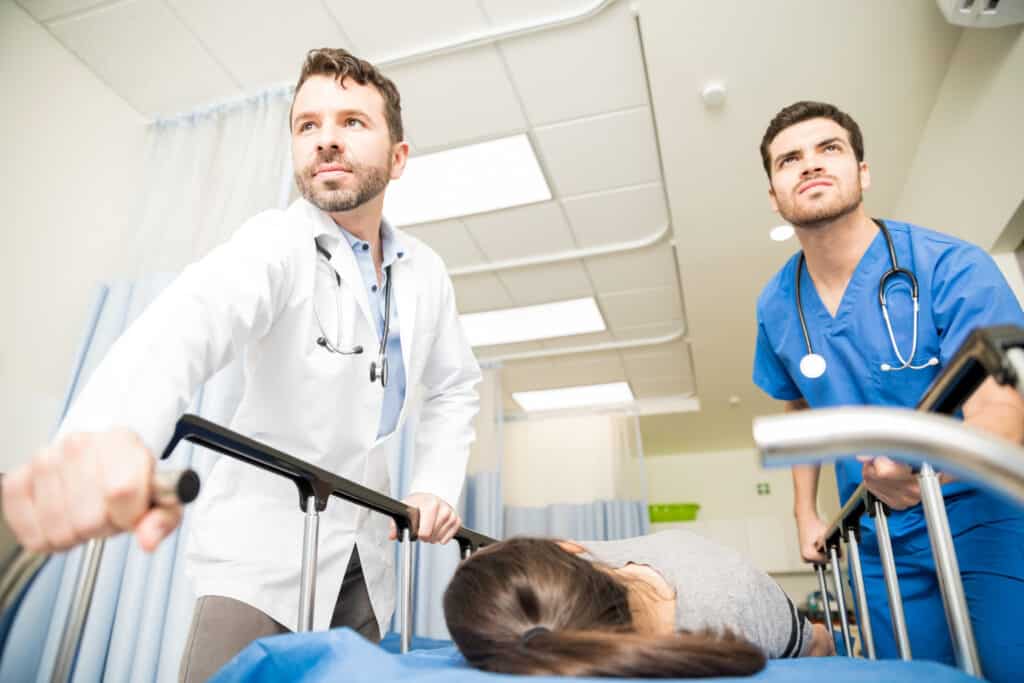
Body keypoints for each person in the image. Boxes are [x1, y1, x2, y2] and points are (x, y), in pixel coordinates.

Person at [1, 48, 481, 681]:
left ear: (398, 157)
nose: (326, 140)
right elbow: (187, 322)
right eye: (308, 125)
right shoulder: (277, 242)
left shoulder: (425, 272)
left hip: (365, 555)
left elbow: (454, 386)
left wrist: (435, 486)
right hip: (260, 558)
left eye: (352, 123)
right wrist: (108, 438)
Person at [752, 100, 1024, 680]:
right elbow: (798, 398)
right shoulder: (777, 305)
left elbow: (1003, 406)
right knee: (909, 675)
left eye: (829, 149)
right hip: (876, 538)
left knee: (1008, 662)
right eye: (789, 159)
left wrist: (929, 470)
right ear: (775, 195)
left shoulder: (950, 267)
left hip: (981, 513)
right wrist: (805, 510)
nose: (810, 164)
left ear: (862, 171)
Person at [442, 530, 834, 678]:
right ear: (570, 548)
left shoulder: (729, 598)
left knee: (818, 637)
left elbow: (818, 643)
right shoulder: (731, 610)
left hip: (724, 582)